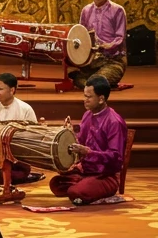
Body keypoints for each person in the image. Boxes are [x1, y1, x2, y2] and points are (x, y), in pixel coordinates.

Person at [50, 74, 128, 204]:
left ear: (101, 99)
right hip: (86, 171)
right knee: (56, 184)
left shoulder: (114, 122)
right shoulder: (87, 115)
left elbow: (116, 158)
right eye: (84, 96)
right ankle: (85, 185)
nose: (84, 100)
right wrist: (69, 134)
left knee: (75, 192)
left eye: (88, 97)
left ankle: (90, 188)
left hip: (105, 176)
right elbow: (80, 141)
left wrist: (88, 152)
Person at [73, 0, 126, 90]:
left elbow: (120, 37)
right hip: (93, 61)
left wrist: (109, 45)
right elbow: (82, 34)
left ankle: (92, 81)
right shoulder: (86, 10)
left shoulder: (117, 10)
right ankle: (89, 80)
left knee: (96, 82)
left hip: (113, 61)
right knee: (81, 80)